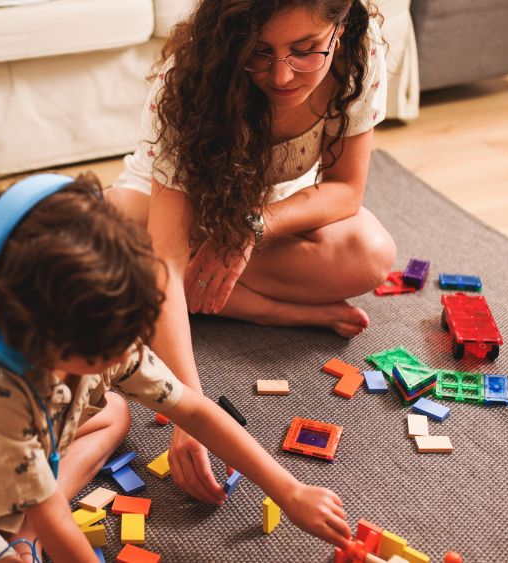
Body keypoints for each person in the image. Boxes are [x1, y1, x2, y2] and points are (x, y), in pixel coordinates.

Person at [0, 172, 351, 563]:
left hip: (17, 457)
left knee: (114, 411)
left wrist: (290, 491)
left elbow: (195, 411)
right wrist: (43, 526)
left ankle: (22, 523)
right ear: (33, 334)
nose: (126, 352)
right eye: (106, 349)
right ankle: (18, 532)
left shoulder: (104, 333)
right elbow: (54, 520)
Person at [105, 0, 397, 504]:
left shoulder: (358, 49)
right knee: (117, 240)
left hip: (263, 209)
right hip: (166, 207)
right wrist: (190, 413)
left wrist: (247, 230)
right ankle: (265, 309)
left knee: (370, 253)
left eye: (305, 50)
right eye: (258, 53)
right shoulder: (189, 78)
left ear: (339, 25)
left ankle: (194, 290)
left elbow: (346, 190)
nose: (281, 75)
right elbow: (166, 258)